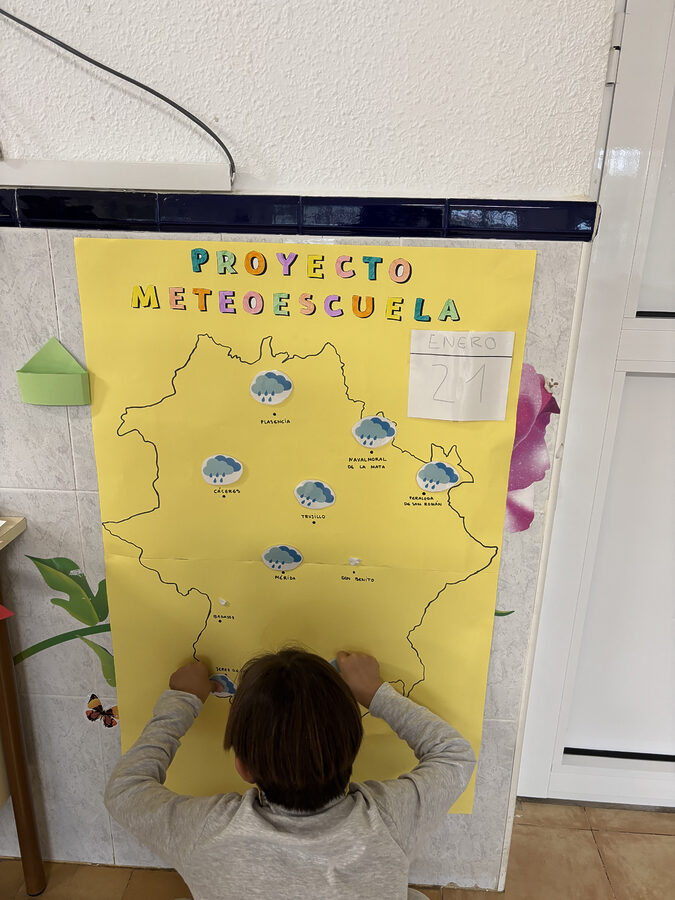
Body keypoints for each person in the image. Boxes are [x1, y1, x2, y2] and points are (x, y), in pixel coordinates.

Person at [104, 648, 476, 899]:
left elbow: (125, 790)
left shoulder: (207, 831)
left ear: (243, 767)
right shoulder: (390, 819)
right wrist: (377, 693)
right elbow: (454, 754)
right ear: (353, 751)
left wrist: (181, 701)